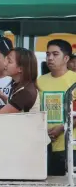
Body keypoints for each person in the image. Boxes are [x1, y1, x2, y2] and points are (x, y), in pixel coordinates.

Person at [37, 39, 76, 176]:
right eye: (48, 54)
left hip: (70, 146)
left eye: (55, 54)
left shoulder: (74, 80)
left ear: (66, 58)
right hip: (46, 144)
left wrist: (63, 126)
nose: (50, 58)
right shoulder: (40, 81)